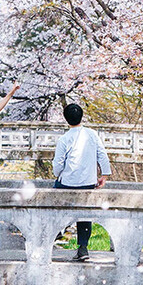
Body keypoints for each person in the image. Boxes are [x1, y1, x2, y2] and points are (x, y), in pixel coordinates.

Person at [51, 103, 110, 261]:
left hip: (67, 183)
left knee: (55, 199)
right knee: (85, 212)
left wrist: (58, 175)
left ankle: (59, 229)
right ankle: (83, 248)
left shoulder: (64, 139)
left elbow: (58, 164)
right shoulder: (92, 134)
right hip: (88, 183)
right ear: (81, 116)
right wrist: (104, 176)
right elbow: (102, 155)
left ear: (66, 119)